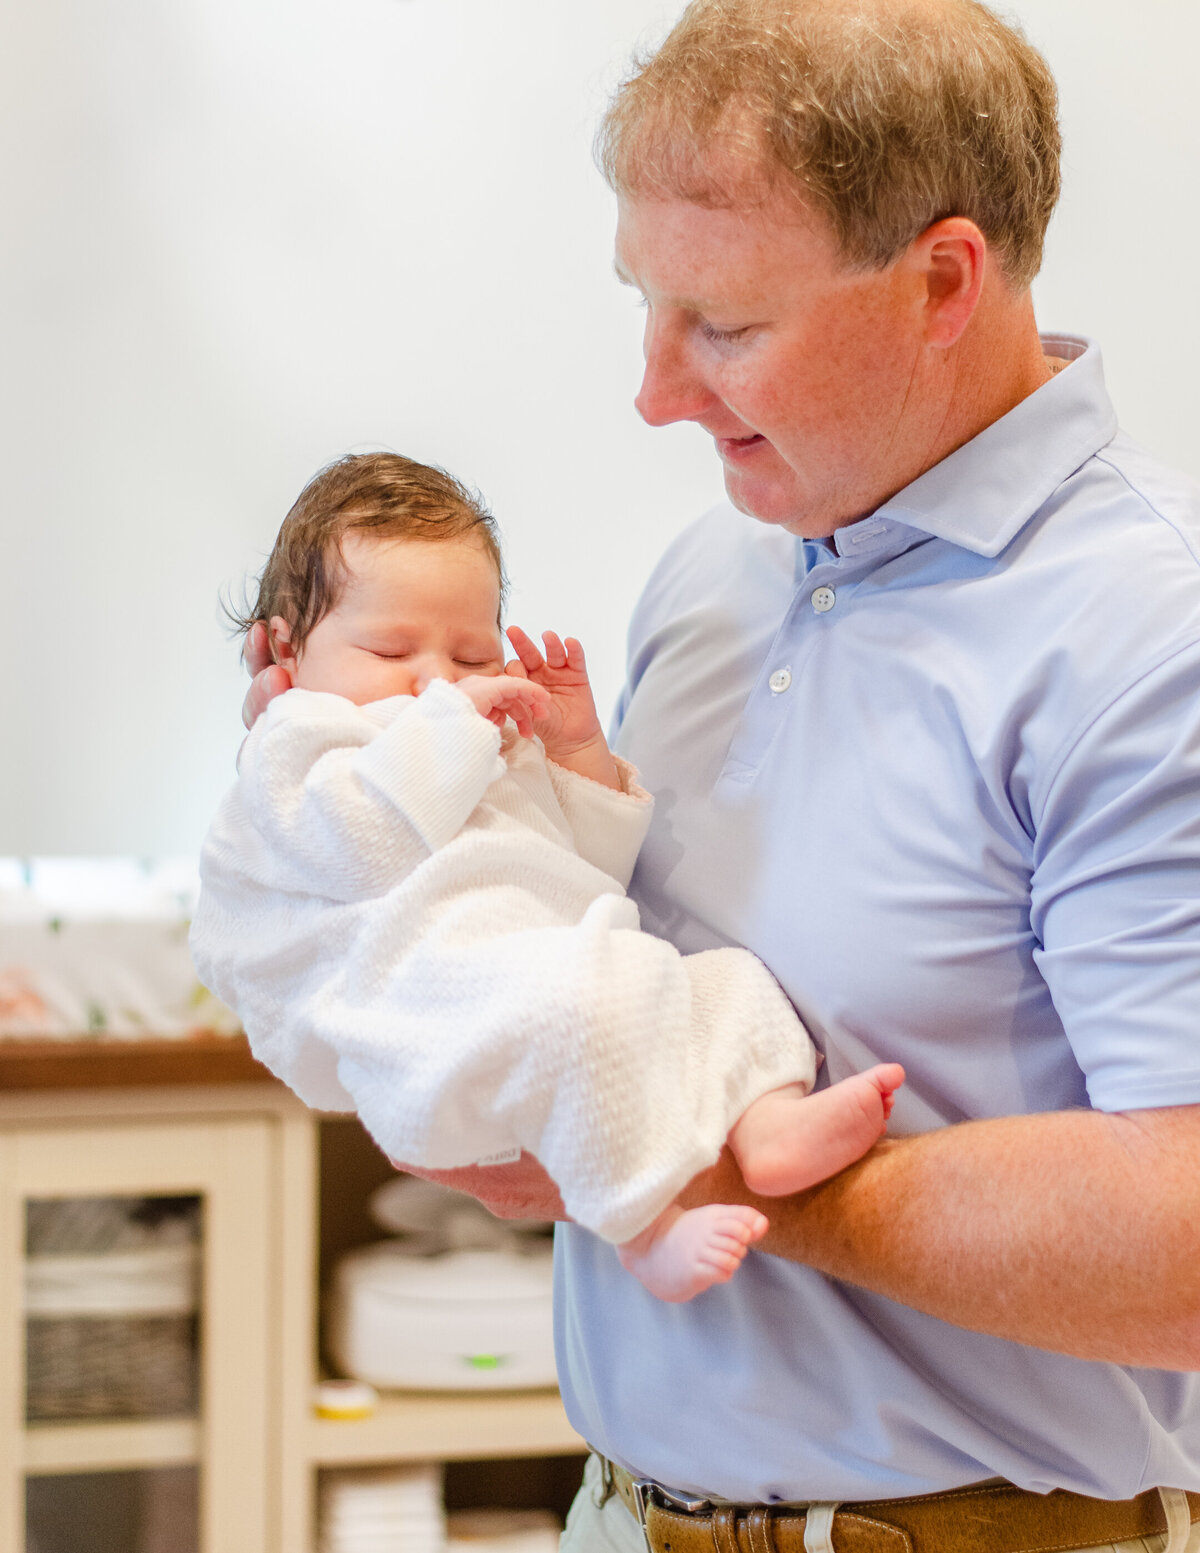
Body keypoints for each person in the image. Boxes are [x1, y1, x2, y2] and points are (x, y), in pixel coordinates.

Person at [237, 0, 1200, 1547]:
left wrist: (691, 1157)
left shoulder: (1154, 635)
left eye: (728, 326)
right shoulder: (721, 567)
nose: (655, 390)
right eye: (647, 303)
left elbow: (1188, 1246)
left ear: (944, 279)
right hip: (619, 1515)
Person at [193, 451, 903, 1303]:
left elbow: (581, 874)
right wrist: (458, 728)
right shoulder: (307, 736)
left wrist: (572, 753)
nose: (432, 679)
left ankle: (766, 1120)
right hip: (425, 988)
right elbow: (362, 845)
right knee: (576, 1008)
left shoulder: (475, 734)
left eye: (470, 651)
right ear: (284, 647)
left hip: (539, 957)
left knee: (729, 982)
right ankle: (645, 1226)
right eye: (389, 647)